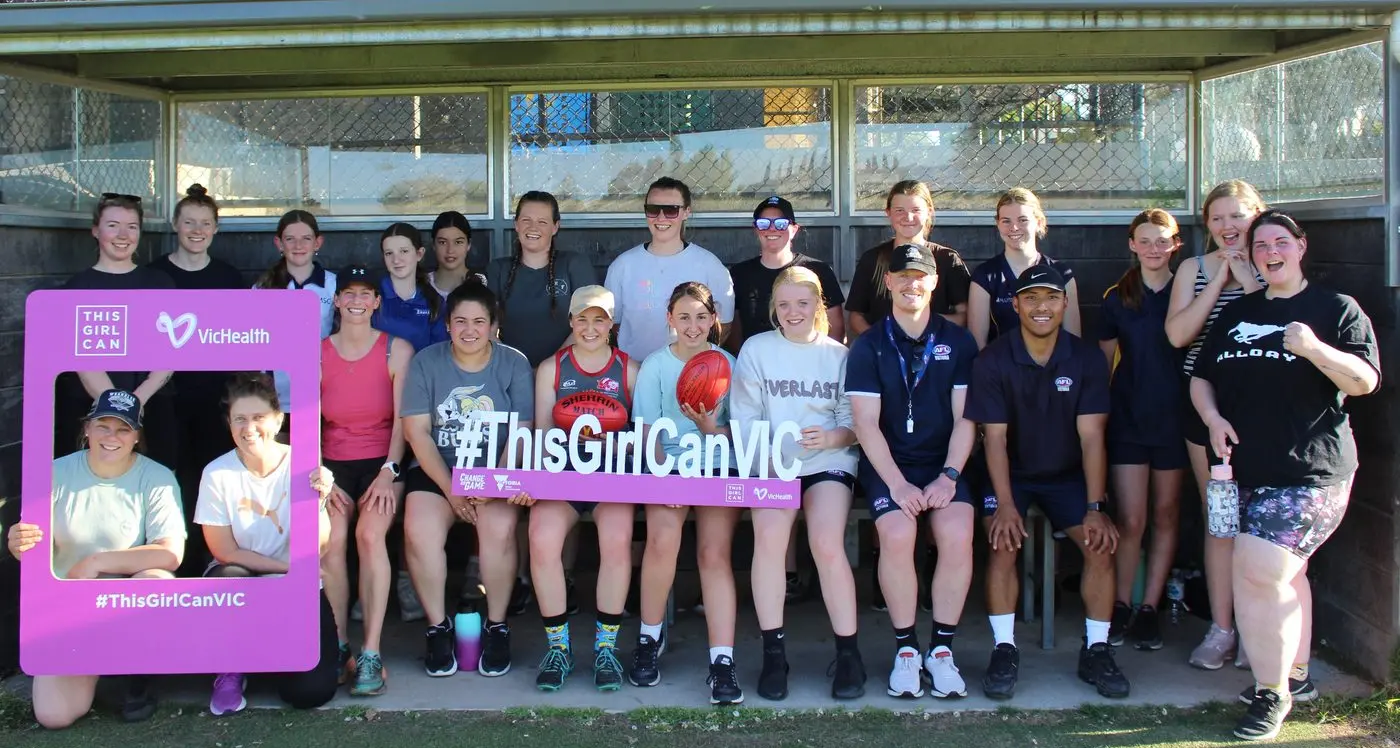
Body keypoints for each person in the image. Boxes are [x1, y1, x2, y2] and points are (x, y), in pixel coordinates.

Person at [1190, 211, 1379, 741]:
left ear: (1300, 247)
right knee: (1283, 576)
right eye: (1260, 246)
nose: (1270, 252)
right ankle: (1295, 675)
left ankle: (1271, 696)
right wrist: (1212, 418)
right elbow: (1201, 377)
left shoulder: (1335, 308)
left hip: (1311, 473)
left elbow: (1365, 381)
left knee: (1256, 569)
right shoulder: (1239, 311)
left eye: (1280, 242)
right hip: (1246, 470)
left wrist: (1316, 349)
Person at [964, 265, 1129, 702]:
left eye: (1051, 298)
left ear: (1065, 304)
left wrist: (1095, 506)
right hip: (1010, 475)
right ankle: (1004, 648)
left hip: (1066, 476)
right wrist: (1004, 504)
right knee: (1002, 542)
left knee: (1099, 543)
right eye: (1031, 298)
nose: (1042, 307)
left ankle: (1096, 648)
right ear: (1014, 305)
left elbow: (1092, 437)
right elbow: (994, 440)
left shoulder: (1087, 357)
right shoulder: (993, 359)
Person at [843, 245, 978, 700]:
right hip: (890, 466)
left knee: (957, 532)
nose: (910, 284)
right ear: (889, 283)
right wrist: (898, 484)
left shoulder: (958, 342)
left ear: (934, 281)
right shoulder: (869, 344)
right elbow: (864, 423)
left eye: (919, 276)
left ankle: (941, 651)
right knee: (898, 535)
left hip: (943, 465)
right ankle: (906, 651)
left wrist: (949, 476)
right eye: (901, 276)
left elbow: (966, 420)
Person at [7, 388, 185, 728]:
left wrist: (97, 562)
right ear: (86, 429)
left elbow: (170, 553)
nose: (112, 437)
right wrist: (19, 544)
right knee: (53, 716)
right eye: (103, 426)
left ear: (136, 437)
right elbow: (31, 543)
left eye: (123, 429)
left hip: (124, 606)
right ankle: (97, 669)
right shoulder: (53, 474)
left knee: (157, 580)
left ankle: (135, 676)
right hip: (68, 604)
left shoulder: (157, 478)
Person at [732, 266, 866, 701]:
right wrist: (769, 458)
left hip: (828, 457)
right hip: (772, 461)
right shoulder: (757, 349)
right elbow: (745, 418)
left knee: (827, 542)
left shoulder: (839, 355)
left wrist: (832, 437)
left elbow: (853, 424)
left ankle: (849, 653)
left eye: (803, 303)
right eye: (785, 304)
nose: (794, 312)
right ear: (774, 307)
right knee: (770, 538)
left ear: (819, 307)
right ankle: (774, 653)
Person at [400, 282, 535, 678]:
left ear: (495, 325)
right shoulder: (427, 362)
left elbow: (521, 429)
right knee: (419, 529)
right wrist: (453, 488)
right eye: (460, 321)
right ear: (447, 324)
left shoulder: (513, 363)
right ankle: (437, 627)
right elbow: (417, 433)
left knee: (499, 529)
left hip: (494, 471)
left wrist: (490, 484)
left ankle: (496, 625)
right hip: (438, 471)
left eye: (479, 321)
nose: (469, 329)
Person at [1164, 179, 1267, 672]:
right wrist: (1219, 282)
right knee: (1221, 519)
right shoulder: (1194, 268)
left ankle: (1256, 632)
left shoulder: (1273, 264)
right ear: (1207, 224)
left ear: (1256, 216)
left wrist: (1248, 279)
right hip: (1203, 408)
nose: (1229, 226)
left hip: (1265, 413)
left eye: (1238, 216)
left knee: (1262, 524)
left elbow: (1274, 319)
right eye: (1218, 218)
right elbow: (1179, 334)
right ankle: (1222, 628)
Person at [195, 374, 340, 716]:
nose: (249, 428)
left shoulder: (304, 465)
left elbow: (317, 547)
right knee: (230, 574)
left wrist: (319, 501)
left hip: (294, 585)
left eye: (258, 418)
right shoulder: (216, 473)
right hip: (244, 578)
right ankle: (231, 667)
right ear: (228, 424)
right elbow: (224, 551)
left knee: (310, 692)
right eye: (240, 419)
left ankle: (273, 658)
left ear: (278, 420)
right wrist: (287, 567)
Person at [628, 282, 743, 705]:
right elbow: (646, 431)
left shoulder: (729, 364)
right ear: (669, 319)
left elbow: (743, 433)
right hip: (669, 466)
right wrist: (664, 475)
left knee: (714, 553)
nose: (692, 326)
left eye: (700, 316)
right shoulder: (656, 366)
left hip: (716, 463)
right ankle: (649, 638)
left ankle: (722, 661)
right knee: (661, 542)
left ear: (714, 319)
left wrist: (712, 429)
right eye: (683, 317)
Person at [527, 285, 640, 693]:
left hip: (611, 475)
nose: (590, 328)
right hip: (563, 474)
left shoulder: (629, 369)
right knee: (541, 538)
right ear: (571, 321)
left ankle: (605, 648)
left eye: (600, 320)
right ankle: (559, 647)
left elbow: (641, 435)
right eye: (583, 319)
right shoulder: (550, 369)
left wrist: (612, 444)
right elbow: (541, 437)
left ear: (612, 324)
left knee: (616, 539)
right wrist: (533, 482)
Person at [320, 266, 414, 697]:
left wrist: (388, 471)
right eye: (348, 294)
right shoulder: (317, 351)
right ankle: (339, 645)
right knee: (331, 539)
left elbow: (402, 422)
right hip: (331, 464)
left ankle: (371, 651)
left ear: (378, 301)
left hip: (382, 461)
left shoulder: (397, 349)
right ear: (337, 301)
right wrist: (321, 474)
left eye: (366, 294)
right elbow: (307, 419)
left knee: (369, 535)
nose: (357, 301)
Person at [1098, 209, 1188, 651]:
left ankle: (1150, 608)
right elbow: (1103, 363)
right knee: (1130, 519)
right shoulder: (1118, 297)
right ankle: (1120, 605)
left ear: (1176, 244)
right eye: (1145, 240)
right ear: (1132, 244)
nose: (1154, 248)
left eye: (1162, 240)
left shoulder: (1188, 291)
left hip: (1175, 420)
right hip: (1128, 419)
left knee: (1167, 514)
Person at [147, 184, 246, 576]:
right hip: (165, 398)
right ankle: (171, 559)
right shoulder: (155, 275)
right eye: (189, 222)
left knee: (211, 479)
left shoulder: (228, 277)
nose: (196, 230)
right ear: (175, 225)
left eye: (205, 223)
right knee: (168, 477)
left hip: (215, 397)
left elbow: (242, 338)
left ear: (216, 229)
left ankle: (211, 559)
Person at [55, 193, 177, 475]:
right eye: (113, 225)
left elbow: (171, 348)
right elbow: (83, 359)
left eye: (131, 226)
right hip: (93, 407)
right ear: (96, 230)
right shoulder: (78, 287)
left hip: (152, 403)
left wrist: (138, 401)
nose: (123, 234)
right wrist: (118, 410)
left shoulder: (160, 282)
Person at [605, 177, 735, 361]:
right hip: (636, 375)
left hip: (691, 375)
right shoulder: (622, 266)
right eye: (652, 210)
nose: (661, 217)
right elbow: (612, 325)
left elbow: (725, 325)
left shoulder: (710, 265)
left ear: (686, 212)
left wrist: (694, 362)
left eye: (671, 210)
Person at [846, 180, 972, 335]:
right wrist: (880, 343)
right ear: (888, 213)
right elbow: (856, 316)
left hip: (935, 350)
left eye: (916, 210)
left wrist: (924, 325)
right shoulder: (872, 259)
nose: (908, 217)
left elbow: (964, 314)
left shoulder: (948, 259)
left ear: (929, 212)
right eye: (899, 210)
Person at [488, 191, 599, 368]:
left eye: (542, 222)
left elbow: (588, 326)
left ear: (555, 227)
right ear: (516, 224)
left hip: (567, 371)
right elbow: (487, 327)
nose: (533, 228)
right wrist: (518, 369)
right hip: (511, 371)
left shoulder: (574, 264)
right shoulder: (498, 269)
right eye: (526, 220)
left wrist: (549, 369)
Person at [726, 196, 845, 351]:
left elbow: (835, 328)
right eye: (763, 223)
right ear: (756, 229)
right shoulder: (739, 274)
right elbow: (734, 331)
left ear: (794, 229)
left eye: (781, 224)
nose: (772, 228)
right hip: (758, 366)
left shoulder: (818, 270)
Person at [967, 188, 1081, 349]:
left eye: (1023, 220)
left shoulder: (1062, 274)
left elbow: (1073, 341)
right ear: (998, 224)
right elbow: (978, 344)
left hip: (1053, 370)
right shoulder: (985, 276)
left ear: (1039, 222)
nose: (1014, 227)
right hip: (1001, 370)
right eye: (1006, 221)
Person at [254, 209, 338, 415]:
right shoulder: (262, 288)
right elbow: (254, 343)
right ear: (279, 244)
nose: (298, 246)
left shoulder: (333, 285)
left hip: (321, 395)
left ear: (317, 243)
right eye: (290, 239)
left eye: (306, 238)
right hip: (274, 399)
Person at [372, 223, 449, 353]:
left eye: (404, 251)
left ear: (419, 254)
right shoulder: (372, 296)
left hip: (420, 372)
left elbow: (440, 352)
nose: (396, 260)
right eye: (389, 253)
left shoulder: (434, 302)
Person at [429, 210, 486, 298]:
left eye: (458, 242)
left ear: (469, 244)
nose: (450, 250)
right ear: (433, 245)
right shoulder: (422, 285)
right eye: (443, 242)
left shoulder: (483, 283)